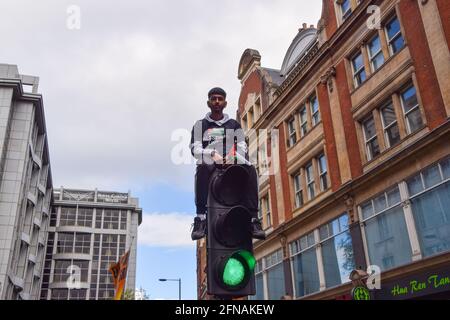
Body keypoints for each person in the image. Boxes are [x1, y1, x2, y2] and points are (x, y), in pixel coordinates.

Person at [190, 87, 266, 241]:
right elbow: (195, 148)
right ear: (208, 102)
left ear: (225, 103)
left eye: (220, 99)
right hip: (210, 161)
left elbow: (242, 146)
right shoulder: (200, 124)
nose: (217, 101)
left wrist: (232, 156)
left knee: (250, 169)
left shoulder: (234, 125)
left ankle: (253, 220)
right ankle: (200, 219)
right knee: (202, 166)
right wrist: (212, 154)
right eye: (213, 99)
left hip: (232, 162)